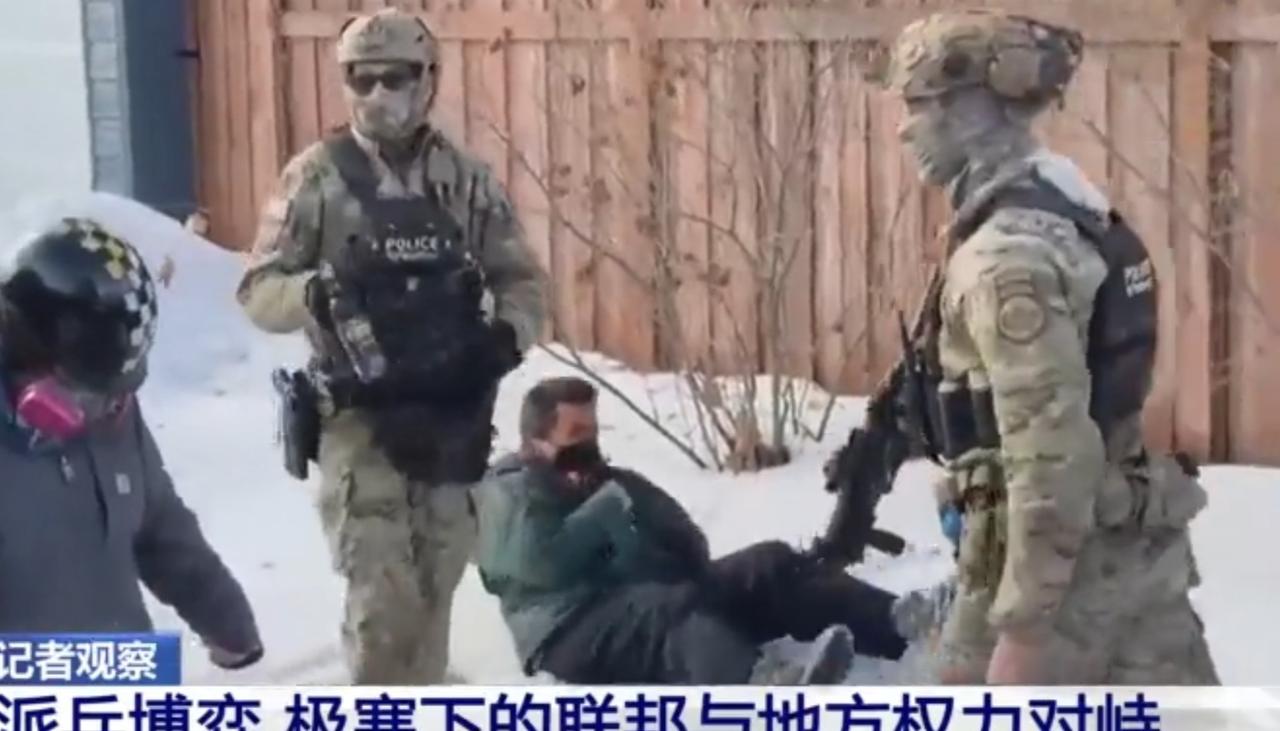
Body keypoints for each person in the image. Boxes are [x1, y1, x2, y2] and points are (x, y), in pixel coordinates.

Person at [863, 9, 1219, 684]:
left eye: (920, 106)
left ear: (971, 112)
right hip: (1125, 546)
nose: (905, 128)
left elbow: (1052, 454)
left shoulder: (1006, 259)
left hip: (1055, 582)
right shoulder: (1067, 204)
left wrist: (1025, 630)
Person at [236, 7, 546, 684]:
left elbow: (522, 281)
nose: (378, 94)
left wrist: (502, 341)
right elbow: (258, 290)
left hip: (450, 416)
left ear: (428, 79)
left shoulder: (464, 180)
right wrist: (314, 293)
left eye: (395, 77)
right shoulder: (317, 178)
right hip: (360, 422)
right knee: (383, 606)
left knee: (435, 592)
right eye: (361, 78)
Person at [473, 376, 919, 684]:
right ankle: (763, 690)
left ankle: (905, 624)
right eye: (576, 433)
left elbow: (688, 543)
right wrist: (603, 515)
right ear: (535, 442)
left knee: (771, 563)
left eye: (593, 431)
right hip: (567, 635)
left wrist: (655, 551)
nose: (588, 445)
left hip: (653, 607)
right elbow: (539, 562)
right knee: (665, 606)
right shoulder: (507, 492)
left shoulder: (611, 482)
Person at [0, 216, 262, 670]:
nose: (109, 410)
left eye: (115, 394)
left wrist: (224, 617)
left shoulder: (109, 411)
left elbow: (159, 524)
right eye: (88, 393)